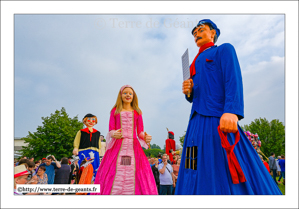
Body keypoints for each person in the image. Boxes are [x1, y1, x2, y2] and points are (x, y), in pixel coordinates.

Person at [176, 19, 282, 195]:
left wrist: (232, 111)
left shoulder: (223, 50)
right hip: (194, 122)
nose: (197, 34)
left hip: (216, 118)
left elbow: (233, 79)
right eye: (194, 33)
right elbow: (196, 95)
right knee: (191, 161)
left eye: (201, 30)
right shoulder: (192, 64)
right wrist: (189, 92)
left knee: (218, 159)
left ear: (213, 33)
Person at [91, 85, 157, 195]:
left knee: (134, 170)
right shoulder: (115, 111)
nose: (128, 95)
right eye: (125, 93)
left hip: (133, 146)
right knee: (115, 170)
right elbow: (111, 129)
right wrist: (114, 134)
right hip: (118, 146)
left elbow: (140, 131)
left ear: (133, 96)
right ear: (120, 95)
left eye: (130, 93)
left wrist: (145, 137)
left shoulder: (137, 112)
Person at [73, 113, 101, 181]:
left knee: (95, 168)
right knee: (83, 166)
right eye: (89, 120)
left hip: (95, 153)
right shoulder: (81, 132)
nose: (91, 121)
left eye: (93, 120)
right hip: (84, 152)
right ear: (84, 121)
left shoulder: (97, 133)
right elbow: (77, 140)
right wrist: (76, 148)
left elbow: (99, 143)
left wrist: (99, 152)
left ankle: (94, 185)